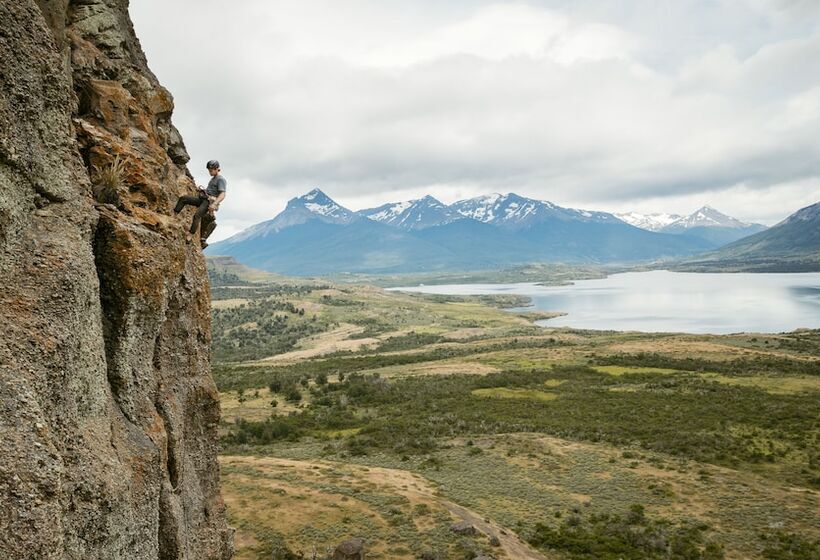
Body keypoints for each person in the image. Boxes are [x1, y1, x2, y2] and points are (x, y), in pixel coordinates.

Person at [174, 160, 227, 248]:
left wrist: (214, 204)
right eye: (209, 170)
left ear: (216, 169)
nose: (210, 172)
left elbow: (222, 194)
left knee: (197, 216)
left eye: (211, 170)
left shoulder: (221, 179)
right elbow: (211, 191)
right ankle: (175, 215)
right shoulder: (213, 179)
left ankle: (190, 235)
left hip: (208, 202)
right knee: (184, 199)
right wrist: (203, 190)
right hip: (203, 199)